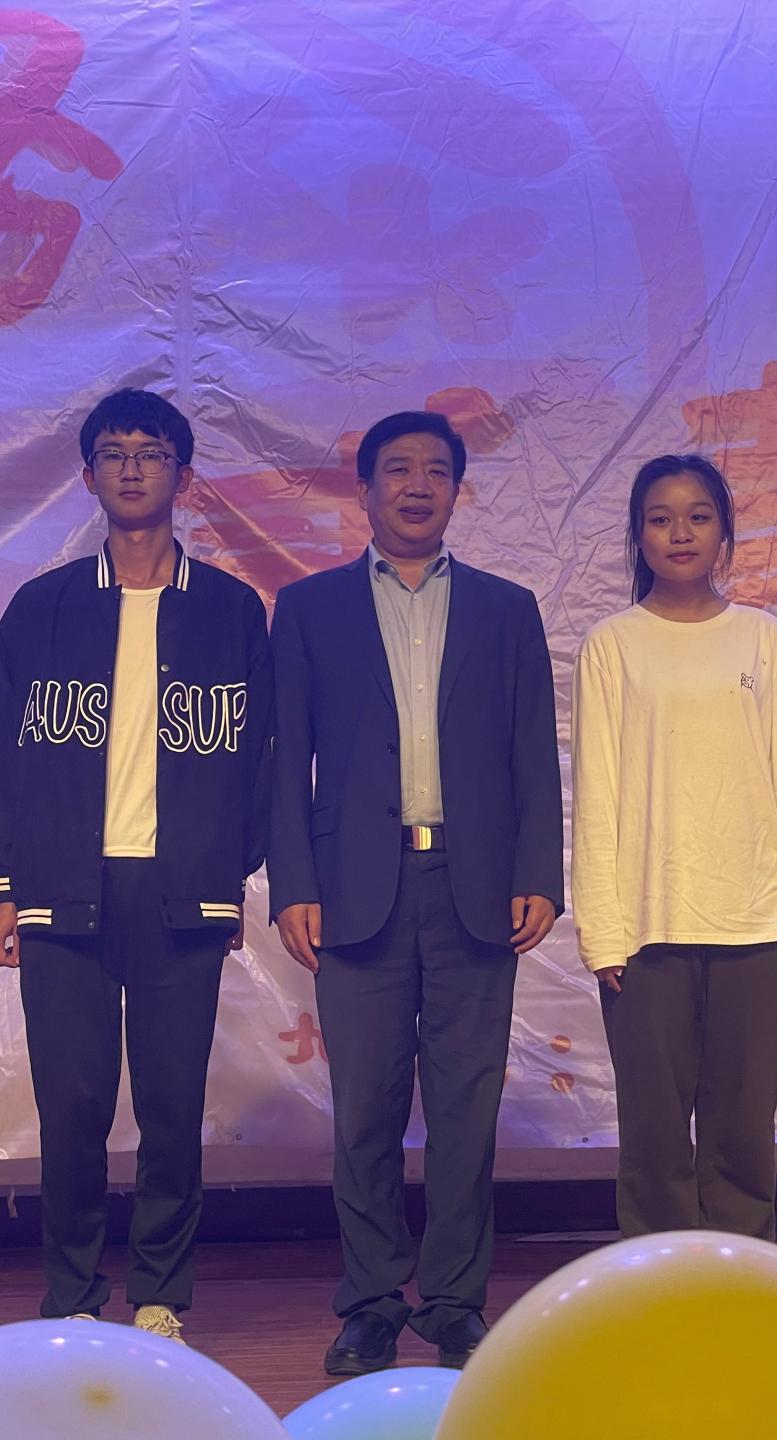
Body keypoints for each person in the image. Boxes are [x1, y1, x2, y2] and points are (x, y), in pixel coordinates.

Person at [267, 410, 564, 1375]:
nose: (418, 485)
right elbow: (286, 760)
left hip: (474, 885)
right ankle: (369, 1304)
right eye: (398, 469)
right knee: (364, 1109)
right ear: (364, 490)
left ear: (457, 491)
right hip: (356, 887)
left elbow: (532, 754)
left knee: (467, 1111)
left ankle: (454, 1305)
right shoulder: (308, 608)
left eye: (437, 470)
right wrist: (292, 883)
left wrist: (539, 873)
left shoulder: (505, 608)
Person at [0, 388, 272, 1344]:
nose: (133, 467)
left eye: (151, 452)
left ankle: (158, 1296)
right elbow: (3, 755)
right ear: (89, 474)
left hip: (181, 891)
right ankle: (70, 1292)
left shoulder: (228, 610)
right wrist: (6, 886)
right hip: (64, 886)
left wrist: (230, 876)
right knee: (71, 1107)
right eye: (115, 453)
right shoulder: (44, 607)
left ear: (184, 475)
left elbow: (261, 758)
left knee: (172, 1106)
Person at [570, 454, 777, 1241]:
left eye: (698, 516)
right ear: (637, 535)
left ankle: (742, 1286)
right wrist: (603, 931)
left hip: (754, 926)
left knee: (742, 1135)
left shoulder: (762, 639)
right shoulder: (612, 645)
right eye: (660, 518)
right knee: (653, 1137)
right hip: (646, 933)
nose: (680, 533)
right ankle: (658, 1289)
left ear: (724, 533)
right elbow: (596, 796)